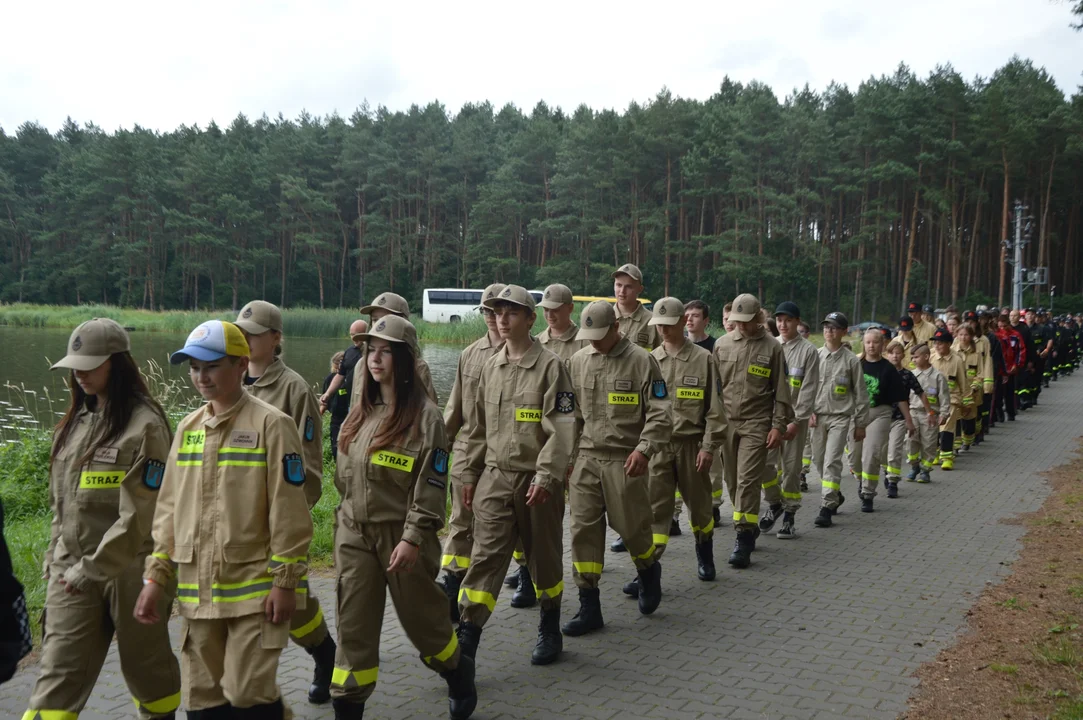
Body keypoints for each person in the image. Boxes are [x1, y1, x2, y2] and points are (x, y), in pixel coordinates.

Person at [136, 320, 313, 719]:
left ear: (241, 365)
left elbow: (289, 508)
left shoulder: (272, 425)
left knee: (250, 693)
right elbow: (169, 508)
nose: (201, 377)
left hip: (254, 589)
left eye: (211, 366)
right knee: (204, 701)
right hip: (197, 593)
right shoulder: (187, 429)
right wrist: (155, 576)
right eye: (194, 368)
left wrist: (285, 582)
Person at [24, 318, 181, 720]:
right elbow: (64, 501)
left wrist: (91, 569)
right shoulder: (77, 420)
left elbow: (141, 515)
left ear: (118, 363)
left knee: (148, 674)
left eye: (90, 364)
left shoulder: (145, 425)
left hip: (128, 570)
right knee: (57, 674)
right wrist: (54, 549)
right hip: (70, 570)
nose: (79, 373)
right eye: (75, 364)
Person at [329, 315, 476, 720]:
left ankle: (456, 669)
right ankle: (347, 701)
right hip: (355, 532)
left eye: (385, 352)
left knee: (425, 627)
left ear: (405, 359)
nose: (375, 360)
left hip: (403, 537)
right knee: (353, 627)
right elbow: (345, 477)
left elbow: (431, 486)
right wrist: (345, 519)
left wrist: (412, 538)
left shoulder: (426, 419)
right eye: (370, 351)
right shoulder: (361, 412)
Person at [456, 285, 576, 667]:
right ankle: (468, 641)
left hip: (535, 481)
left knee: (543, 557)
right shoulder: (490, 366)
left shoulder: (552, 367)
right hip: (494, 477)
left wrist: (546, 477)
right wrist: (469, 474)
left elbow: (562, 427)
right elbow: (475, 428)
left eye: (511, 312)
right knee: (485, 557)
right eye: (496, 312)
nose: (502, 320)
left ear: (530, 318)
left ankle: (549, 624)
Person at [233, 300, 335, 705]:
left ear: (275, 338)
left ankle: (322, 654)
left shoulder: (294, 389)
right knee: (285, 602)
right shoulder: (228, 380)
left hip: (276, 520)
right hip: (235, 521)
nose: (246, 339)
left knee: (284, 600)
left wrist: (289, 518)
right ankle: (323, 651)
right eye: (240, 332)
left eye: (254, 333)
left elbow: (309, 469)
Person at [563, 301, 672, 636]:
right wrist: (565, 460)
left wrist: (644, 449)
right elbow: (570, 417)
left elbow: (660, 411)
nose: (594, 341)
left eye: (600, 335)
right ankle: (589, 604)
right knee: (582, 529)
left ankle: (648, 568)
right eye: (589, 335)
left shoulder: (642, 360)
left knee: (632, 528)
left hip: (626, 459)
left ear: (616, 328)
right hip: (586, 458)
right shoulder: (577, 362)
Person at [626, 297, 725, 593]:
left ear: (683, 322)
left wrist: (709, 447)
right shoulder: (649, 360)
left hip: (692, 445)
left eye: (669, 325)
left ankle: (705, 556)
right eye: (659, 326)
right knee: (656, 511)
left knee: (700, 507)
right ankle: (648, 569)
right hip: (658, 448)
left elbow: (715, 409)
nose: (664, 331)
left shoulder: (703, 359)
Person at [713, 294, 793, 567]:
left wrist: (778, 425)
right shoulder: (721, 345)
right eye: (737, 322)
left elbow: (781, 391)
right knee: (732, 481)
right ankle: (747, 523)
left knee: (748, 481)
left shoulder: (772, 347)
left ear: (759, 318)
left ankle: (743, 539)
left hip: (756, 423)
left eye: (747, 322)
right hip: (727, 424)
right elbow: (713, 390)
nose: (742, 327)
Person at [441, 284, 506, 619]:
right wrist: (440, 448)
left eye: (500, 311)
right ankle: (453, 584)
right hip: (468, 449)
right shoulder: (470, 353)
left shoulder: (528, 354)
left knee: (503, 526)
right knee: (460, 521)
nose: (495, 318)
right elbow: (455, 408)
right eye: (488, 311)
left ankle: (524, 575)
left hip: (506, 455)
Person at [759, 302, 819, 539]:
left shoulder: (808, 351)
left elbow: (809, 388)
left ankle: (789, 516)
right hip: (770, 419)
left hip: (795, 420)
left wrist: (797, 420)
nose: (783, 325)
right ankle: (774, 504)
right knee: (764, 464)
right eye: (780, 320)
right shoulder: (771, 347)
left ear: (797, 322)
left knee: (792, 470)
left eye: (788, 320)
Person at [811, 312, 869, 528]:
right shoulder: (815, 356)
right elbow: (807, 388)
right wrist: (808, 411)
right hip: (817, 417)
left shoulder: (851, 361)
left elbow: (861, 394)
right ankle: (834, 493)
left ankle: (826, 506)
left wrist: (861, 423)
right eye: (826, 326)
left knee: (832, 460)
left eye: (834, 327)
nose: (829, 330)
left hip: (840, 417)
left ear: (844, 331)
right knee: (818, 460)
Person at [851, 328, 914, 512]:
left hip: (880, 413)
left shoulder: (888, 369)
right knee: (855, 458)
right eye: (868, 342)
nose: (871, 346)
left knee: (871, 454)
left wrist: (909, 420)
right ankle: (861, 480)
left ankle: (868, 494)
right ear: (863, 343)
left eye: (875, 342)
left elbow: (900, 398)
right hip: (857, 414)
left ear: (882, 344)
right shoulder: (856, 363)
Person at [354, 292, 438, 407]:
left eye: (387, 319)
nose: (379, 325)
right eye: (375, 320)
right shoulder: (361, 365)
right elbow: (355, 408)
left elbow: (428, 413)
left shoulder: (418, 368)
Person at [883, 339, 931, 497]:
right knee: (882, 451)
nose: (895, 356)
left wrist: (930, 412)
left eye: (898, 353)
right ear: (886, 355)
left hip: (899, 418)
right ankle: (886, 472)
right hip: (881, 418)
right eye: (891, 353)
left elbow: (920, 392)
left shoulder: (907, 375)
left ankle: (893, 481)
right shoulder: (882, 372)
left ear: (903, 355)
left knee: (894, 451)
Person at [319, 319, 369, 457]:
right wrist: (328, 394)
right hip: (350, 404)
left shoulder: (372, 352)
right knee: (345, 441)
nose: (353, 338)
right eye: (351, 334)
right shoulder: (350, 352)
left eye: (357, 334)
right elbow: (340, 376)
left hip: (367, 404)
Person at [907, 344, 950, 483]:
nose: (913, 360)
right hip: (913, 412)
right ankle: (914, 466)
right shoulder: (911, 375)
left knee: (929, 443)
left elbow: (944, 397)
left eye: (916, 357)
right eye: (912, 357)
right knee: (911, 441)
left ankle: (925, 470)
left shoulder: (938, 377)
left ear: (926, 357)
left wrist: (944, 413)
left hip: (931, 415)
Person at [930, 328, 968, 471]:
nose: (937, 346)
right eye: (936, 343)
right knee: (933, 427)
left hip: (952, 399)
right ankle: (934, 452)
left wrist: (967, 400)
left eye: (940, 343)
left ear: (948, 344)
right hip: (933, 399)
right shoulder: (931, 358)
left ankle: (947, 457)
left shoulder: (957, 360)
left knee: (946, 428)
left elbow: (963, 381)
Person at [951, 324, 984, 454]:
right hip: (956, 391)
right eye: (961, 335)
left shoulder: (977, 354)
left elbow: (980, 373)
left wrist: (975, 386)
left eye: (966, 335)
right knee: (955, 418)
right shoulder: (952, 351)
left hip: (972, 392)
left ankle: (968, 439)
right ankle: (955, 445)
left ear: (971, 336)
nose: (963, 338)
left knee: (969, 420)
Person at [612, 263, 661, 351]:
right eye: (619, 285)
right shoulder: (604, 317)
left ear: (640, 289)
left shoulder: (652, 322)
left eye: (628, 287)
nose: (622, 291)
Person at [537, 283, 589, 363]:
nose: (550, 315)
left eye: (555, 310)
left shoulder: (585, 343)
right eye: (546, 310)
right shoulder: (536, 343)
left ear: (570, 308)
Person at [995, 313, 1026, 421]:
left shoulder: (1015, 335)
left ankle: (1011, 412)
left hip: (1011, 369)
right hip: (999, 369)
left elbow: (1021, 351)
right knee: (998, 393)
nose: (1002, 328)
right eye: (1000, 326)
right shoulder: (996, 335)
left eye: (1004, 326)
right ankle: (998, 413)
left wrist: (1017, 365)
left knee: (1010, 393)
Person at [322, 351, 347, 460]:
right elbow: (324, 402)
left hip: (349, 416)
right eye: (336, 369)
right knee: (335, 449)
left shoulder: (352, 379)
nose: (338, 372)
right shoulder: (330, 379)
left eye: (340, 369)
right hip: (336, 417)